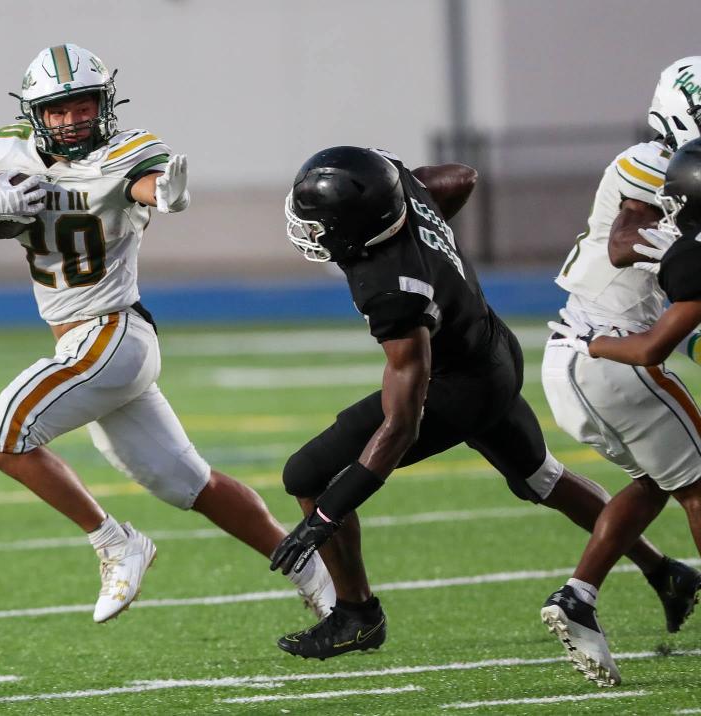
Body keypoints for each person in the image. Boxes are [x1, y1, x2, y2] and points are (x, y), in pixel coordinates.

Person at [0, 44, 335, 624]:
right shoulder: (10, 150)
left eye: (83, 104)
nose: (72, 119)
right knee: (192, 485)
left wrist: (164, 191)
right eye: (59, 109)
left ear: (104, 103)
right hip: (88, 345)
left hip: (111, 333)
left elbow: (150, 184)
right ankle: (317, 577)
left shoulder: (125, 151)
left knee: (2, 438)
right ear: (36, 112)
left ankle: (114, 543)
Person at [267, 144, 695, 661]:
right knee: (544, 479)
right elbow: (461, 177)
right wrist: (425, 212)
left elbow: (403, 422)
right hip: (492, 350)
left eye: (320, 224)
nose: (311, 232)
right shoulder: (398, 189)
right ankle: (663, 571)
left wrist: (327, 515)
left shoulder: (392, 288)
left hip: (457, 385)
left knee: (307, 475)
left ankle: (357, 614)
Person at [543, 135, 701, 687]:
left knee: (653, 481)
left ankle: (578, 596)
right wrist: (598, 347)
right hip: (611, 355)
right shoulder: (657, 182)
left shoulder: (678, 228)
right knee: (700, 487)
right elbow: (656, 340)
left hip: (565, 354)